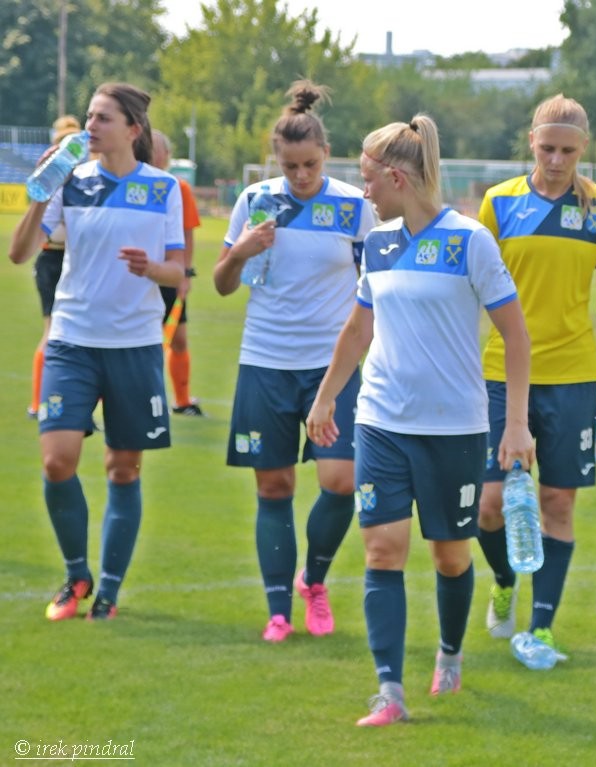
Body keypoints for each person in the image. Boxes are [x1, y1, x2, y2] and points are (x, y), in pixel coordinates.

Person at [306, 113, 533, 726]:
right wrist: (326, 398)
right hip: (380, 422)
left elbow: (515, 335)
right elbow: (358, 329)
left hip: (455, 429)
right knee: (382, 551)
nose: (364, 191)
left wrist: (516, 424)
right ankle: (389, 691)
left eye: (368, 178)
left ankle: (450, 655)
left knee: (451, 558)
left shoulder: (470, 241)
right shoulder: (378, 244)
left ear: (397, 178)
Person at [8, 83, 185, 621]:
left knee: (123, 469)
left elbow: (178, 272)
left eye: (103, 118)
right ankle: (75, 575)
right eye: (89, 116)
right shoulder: (72, 181)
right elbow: (19, 253)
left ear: (132, 129)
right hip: (72, 341)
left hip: (134, 345)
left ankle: (108, 591)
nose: (90, 126)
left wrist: (151, 269)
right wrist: (41, 191)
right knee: (57, 460)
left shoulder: (163, 188)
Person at [213, 80, 375, 642]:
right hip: (265, 361)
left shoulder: (354, 207)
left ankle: (315, 580)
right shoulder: (255, 201)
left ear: (326, 154)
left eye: (310, 164)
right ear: (275, 160)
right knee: (274, 487)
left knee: (341, 481)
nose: (300, 175)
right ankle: (278, 610)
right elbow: (222, 284)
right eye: (290, 166)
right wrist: (240, 251)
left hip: (333, 367)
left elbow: (374, 288)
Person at [475, 93, 596, 661]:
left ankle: (540, 626)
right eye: (547, 149)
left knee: (558, 501)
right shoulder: (498, 202)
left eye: (568, 150)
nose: (557, 160)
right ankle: (504, 581)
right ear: (531, 143)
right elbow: (474, 290)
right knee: (490, 505)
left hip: (571, 374)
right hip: (499, 373)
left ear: (583, 147)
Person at [25, 115, 84, 419]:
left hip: (75, 258)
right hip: (52, 257)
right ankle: (38, 403)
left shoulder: (84, 177)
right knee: (52, 331)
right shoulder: (50, 178)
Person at [151, 129, 204, 416]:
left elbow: (188, 232)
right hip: (141, 276)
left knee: (178, 338)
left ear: (167, 154)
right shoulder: (137, 184)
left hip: (169, 273)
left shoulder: (178, 188)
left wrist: (185, 274)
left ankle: (182, 400)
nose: (153, 153)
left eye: (157, 148)